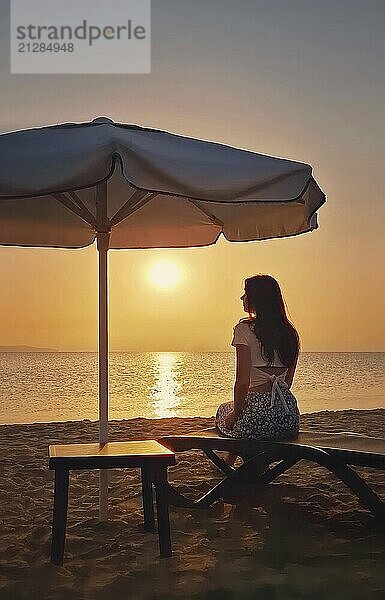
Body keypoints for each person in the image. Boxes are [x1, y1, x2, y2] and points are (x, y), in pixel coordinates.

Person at [215, 274, 300, 465]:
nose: (242, 298)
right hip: (288, 418)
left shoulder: (244, 330)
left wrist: (235, 414)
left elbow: (243, 382)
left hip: (257, 421)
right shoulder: (290, 333)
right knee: (240, 412)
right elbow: (287, 382)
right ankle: (239, 460)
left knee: (224, 411)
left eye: (245, 293)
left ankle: (230, 459)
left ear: (257, 299)